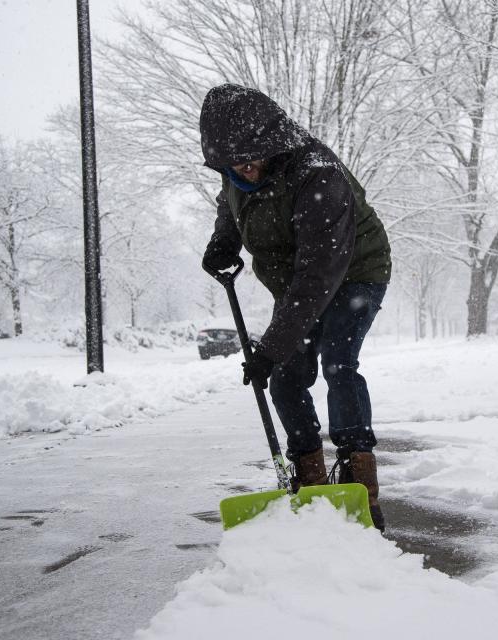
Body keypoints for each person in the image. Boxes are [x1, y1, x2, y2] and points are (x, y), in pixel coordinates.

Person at [199, 84, 393, 530]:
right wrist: (222, 243)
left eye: (251, 160)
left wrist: (270, 345)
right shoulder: (237, 172)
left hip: (353, 272)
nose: (243, 171)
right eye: (232, 165)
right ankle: (307, 476)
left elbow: (318, 273)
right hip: (297, 282)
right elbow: (229, 206)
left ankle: (358, 476)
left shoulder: (317, 173)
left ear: (274, 145)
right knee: (286, 378)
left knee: (338, 363)